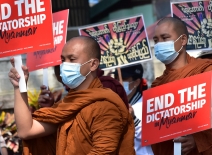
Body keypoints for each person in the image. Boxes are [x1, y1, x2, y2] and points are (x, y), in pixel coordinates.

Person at [8, 36, 135, 155]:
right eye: (63, 60)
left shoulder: (105, 106)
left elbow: (103, 151)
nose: (65, 65)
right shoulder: (68, 105)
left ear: (93, 64)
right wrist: (19, 87)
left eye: (72, 59)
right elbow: (26, 131)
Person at [152, 17, 212, 155]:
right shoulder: (157, 85)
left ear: (183, 40)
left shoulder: (205, 72)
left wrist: (197, 139)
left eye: (165, 38)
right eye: (156, 40)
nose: (159, 44)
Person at [115, 64, 154, 155]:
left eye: (123, 78)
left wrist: (134, 119)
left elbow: (151, 136)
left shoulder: (149, 104)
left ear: (136, 82)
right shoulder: (113, 105)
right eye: (116, 78)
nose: (118, 82)